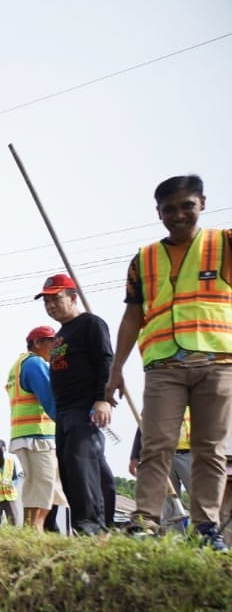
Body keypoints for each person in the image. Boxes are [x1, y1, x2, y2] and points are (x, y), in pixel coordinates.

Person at [105, 174, 232, 550]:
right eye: (169, 209)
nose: (178, 215)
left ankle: (205, 526)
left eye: (187, 206)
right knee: (156, 444)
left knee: (210, 448)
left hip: (218, 362)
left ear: (203, 204)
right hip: (164, 366)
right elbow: (132, 317)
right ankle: (145, 518)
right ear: (158, 213)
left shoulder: (224, 243)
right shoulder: (143, 259)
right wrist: (116, 371)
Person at [34, 274, 114, 536]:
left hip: (85, 407)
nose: (51, 306)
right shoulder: (60, 334)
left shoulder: (91, 324)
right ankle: (92, 526)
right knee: (70, 470)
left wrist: (102, 398)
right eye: (46, 301)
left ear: (73, 297)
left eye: (56, 299)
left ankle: (91, 527)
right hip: (64, 411)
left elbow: (105, 360)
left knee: (82, 467)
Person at [6, 325, 63, 528]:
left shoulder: (19, 365)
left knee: (36, 485)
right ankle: (35, 529)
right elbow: (50, 401)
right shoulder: (35, 363)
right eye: (52, 342)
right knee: (45, 486)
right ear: (38, 343)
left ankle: (32, 529)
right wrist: (68, 422)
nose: (57, 347)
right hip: (38, 436)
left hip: (25, 435)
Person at [128, 410, 191, 530]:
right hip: (164, 454)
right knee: (168, 501)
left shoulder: (196, 397)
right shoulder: (160, 398)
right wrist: (135, 455)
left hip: (191, 454)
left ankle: (205, 535)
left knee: (200, 496)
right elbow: (142, 427)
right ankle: (175, 538)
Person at [0, 440, 21, 525]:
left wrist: (11, 484)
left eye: (0, 448)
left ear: (5, 449)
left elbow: (16, 479)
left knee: (14, 521)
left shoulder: (11, 461)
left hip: (10, 497)